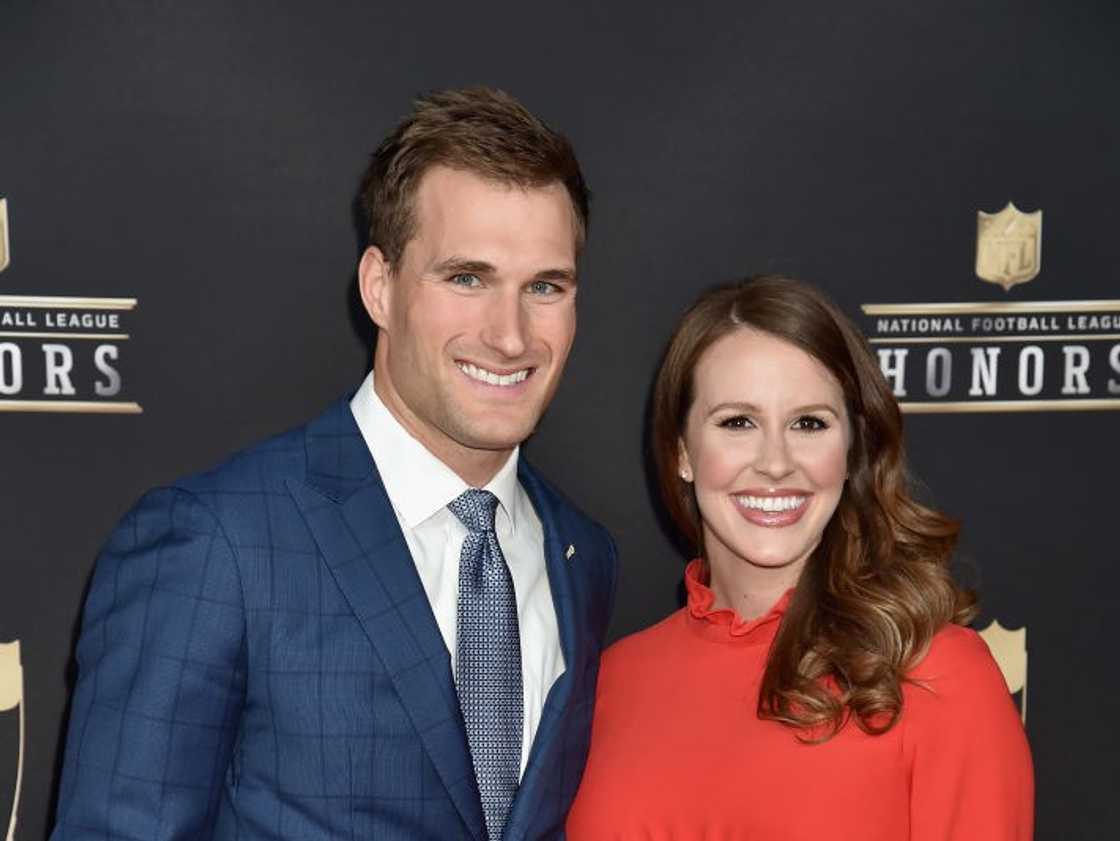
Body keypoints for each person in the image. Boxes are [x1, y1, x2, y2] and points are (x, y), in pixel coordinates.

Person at [51, 87, 617, 841]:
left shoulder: (582, 555)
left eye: (545, 287)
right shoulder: (218, 543)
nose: (511, 335)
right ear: (379, 286)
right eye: (466, 277)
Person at [566, 276, 1032, 840]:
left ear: (851, 448)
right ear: (682, 452)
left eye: (808, 423)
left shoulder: (937, 674)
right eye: (738, 422)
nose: (776, 462)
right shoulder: (613, 680)